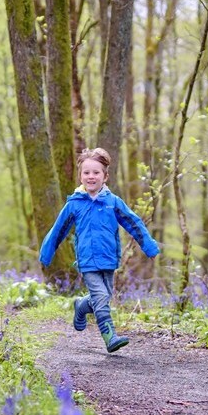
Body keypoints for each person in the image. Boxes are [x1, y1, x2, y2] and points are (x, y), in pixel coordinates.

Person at [39, 148, 160, 353]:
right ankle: (109, 336)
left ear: (105, 176)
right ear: (80, 176)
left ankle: (82, 306)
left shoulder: (113, 202)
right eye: (86, 172)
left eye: (96, 172)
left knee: (103, 296)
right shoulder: (75, 204)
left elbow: (134, 223)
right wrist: (46, 253)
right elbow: (58, 229)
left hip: (109, 259)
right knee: (101, 297)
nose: (91, 176)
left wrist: (149, 246)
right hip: (87, 261)